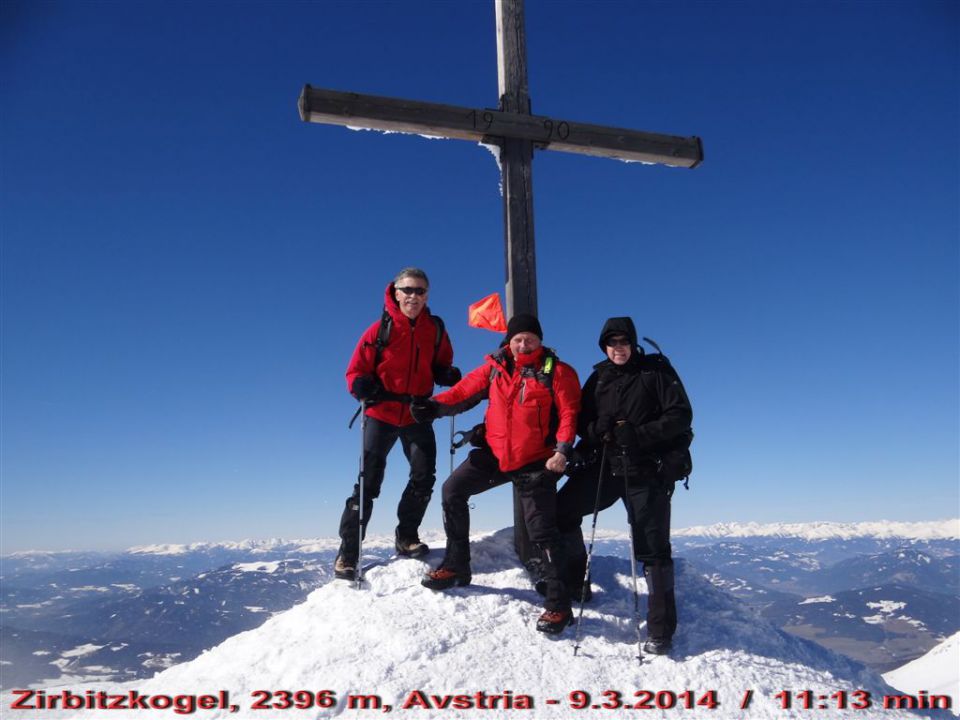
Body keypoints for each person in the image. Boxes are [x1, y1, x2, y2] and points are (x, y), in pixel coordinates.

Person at [409, 314, 582, 635]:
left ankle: (559, 605)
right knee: (453, 490)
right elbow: (462, 392)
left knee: (542, 531)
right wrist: (432, 405)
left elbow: (570, 413)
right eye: (517, 338)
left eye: (529, 338)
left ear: (539, 340)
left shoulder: (556, 372)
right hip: (495, 454)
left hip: (536, 461)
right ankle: (457, 566)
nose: (523, 344)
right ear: (509, 341)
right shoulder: (495, 367)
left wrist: (562, 450)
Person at [557, 317, 693, 654]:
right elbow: (581, 422)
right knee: (562, 512)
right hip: (604, 468)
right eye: (612, 342)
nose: (618, 348)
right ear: (604, 346)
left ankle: (660, 631)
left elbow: (681, 416)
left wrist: (639, 435)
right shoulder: (598, 377)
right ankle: (577, 584)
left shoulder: (656, 372)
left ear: (633, 343)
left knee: (653, 549)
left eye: (623, 341)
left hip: (647, 470)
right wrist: (597, 431)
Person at [334, 268, 461, 581]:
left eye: (420, 291)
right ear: (395, 292)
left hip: (417, 413)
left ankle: (406, 536)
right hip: (381, 413)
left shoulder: (436, 329)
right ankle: (349, 553)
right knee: (368, 482)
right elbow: (354, 372)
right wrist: (360, 385)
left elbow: (441, 363)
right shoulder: (379, 330)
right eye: (408, 290)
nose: (413, 296)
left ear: (427, 295)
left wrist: (446, 374)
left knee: (423, 475)